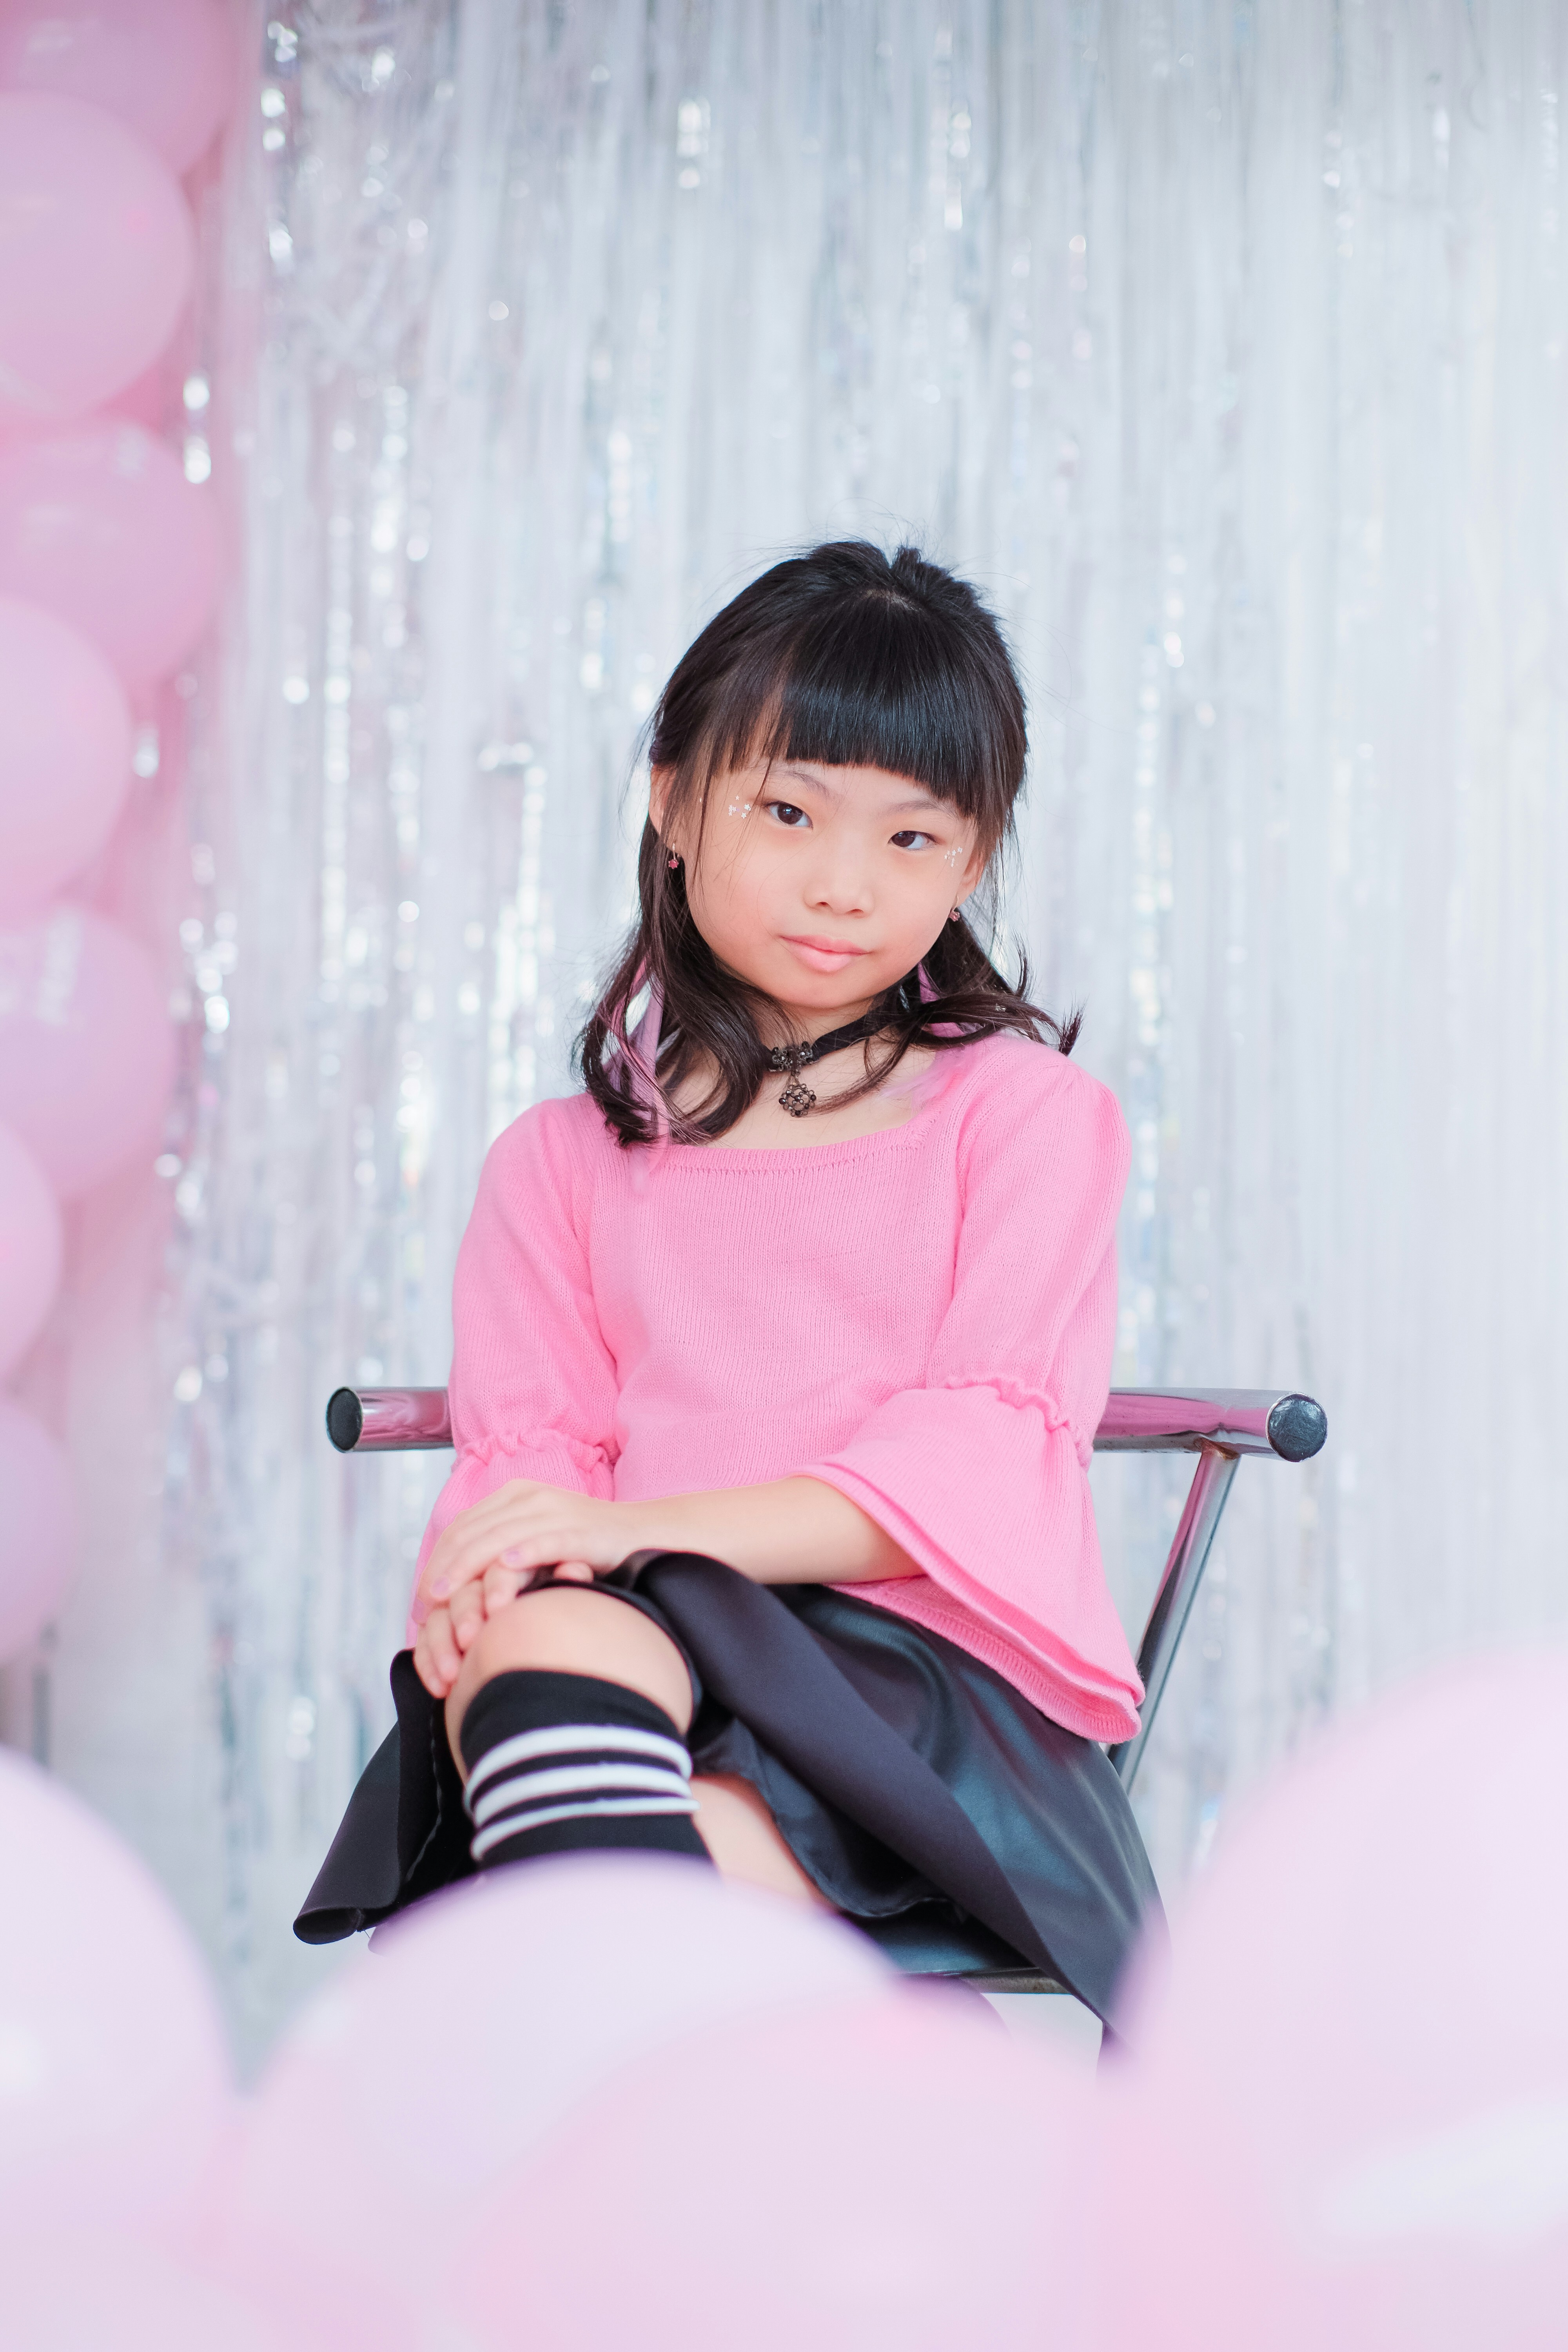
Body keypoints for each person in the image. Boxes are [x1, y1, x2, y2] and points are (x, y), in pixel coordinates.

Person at [297, 540, 1161, 2022]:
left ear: (973, 860)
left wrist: (628, 1530)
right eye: (787, 811)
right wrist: (500, 1568)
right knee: (551, 1637)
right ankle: (681, 2102)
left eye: (913, 841)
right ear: (674, 802)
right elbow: (533, 1468)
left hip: (914, 1680)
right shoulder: (560, 1165)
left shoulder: (1022, 1118)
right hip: (640, 1663)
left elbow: (963, 1467)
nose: (845, 886)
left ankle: (654, 2119)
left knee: (601, 1890)